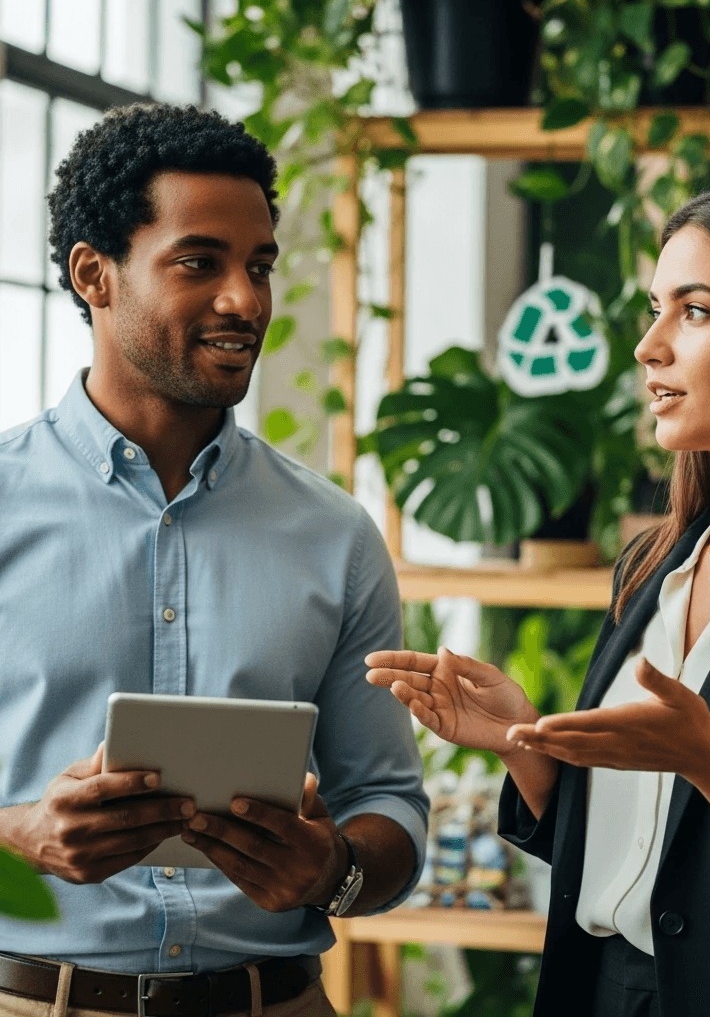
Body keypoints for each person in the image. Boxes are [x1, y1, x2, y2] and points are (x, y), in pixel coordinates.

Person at [367, 183, 710, 1017]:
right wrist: (531, 749)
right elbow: (647, 859)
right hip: (605, 994)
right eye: (656, 311)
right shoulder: (653, 566)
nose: (649, 348)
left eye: (694, 311)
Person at [0, 103, 428, 1017]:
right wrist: (23, 837)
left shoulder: (336, 534)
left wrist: (335, 869)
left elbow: (391, 811)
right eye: (200, 262)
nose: (247, 299)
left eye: (260, 265)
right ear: (94, 275)